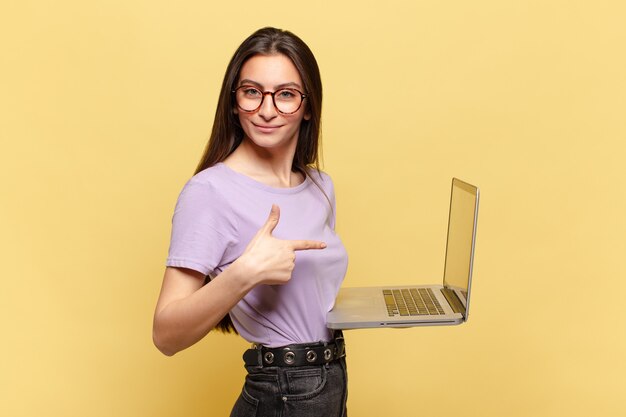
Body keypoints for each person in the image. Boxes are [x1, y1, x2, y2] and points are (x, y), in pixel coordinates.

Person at [152, 27, 349, 417]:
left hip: (330, 380)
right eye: (252, 91)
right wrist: (246, 272)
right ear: (234, 102)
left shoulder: (319, 186)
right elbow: (165, 335)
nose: (267, 109)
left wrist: (384, 315)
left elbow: (311, 301)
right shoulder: (210, 191)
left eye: (287, 94)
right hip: (282, 392)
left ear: (309, 106)